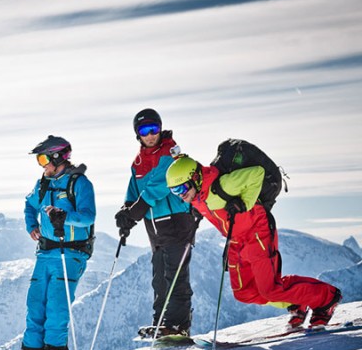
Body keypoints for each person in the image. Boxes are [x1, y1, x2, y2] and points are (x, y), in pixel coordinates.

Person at [166, 154, 342, 329]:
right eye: (174, 191)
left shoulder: (224, 184)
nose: (180, 195)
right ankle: (296, 303)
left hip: (257, 233)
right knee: (244, 292)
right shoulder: (197, 197)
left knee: (270, 289)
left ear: (195, 178)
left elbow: (257, 173)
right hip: (236, 241)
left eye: (181, 189)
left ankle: (327, 298)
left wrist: (244, 203)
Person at [114, 109, 196, 337]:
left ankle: (178, 325)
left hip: (177, 221)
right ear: (137, 134)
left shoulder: (170, 154)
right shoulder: (138, 162)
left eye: (154, 129)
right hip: (155, 226)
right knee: (159, 277)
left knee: (175, 274)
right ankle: (162, 322)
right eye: (144, 131)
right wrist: (125, 212)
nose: (150, 135)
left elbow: (158, 187)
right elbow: (133, 191)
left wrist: (135, 211)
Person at [21, 135, 96, 350]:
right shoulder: (43, 183)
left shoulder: (80, 184)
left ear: (57, 157)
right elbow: (29, 204)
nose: (41, 165)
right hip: (45, 252)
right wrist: (31, 224)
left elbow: (88, 217)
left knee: (56, 304)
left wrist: (65, 216)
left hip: (70, 252)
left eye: (43, 158)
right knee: (35, 304)